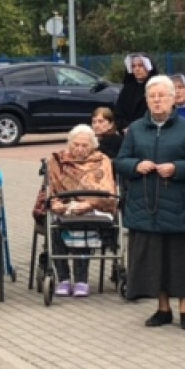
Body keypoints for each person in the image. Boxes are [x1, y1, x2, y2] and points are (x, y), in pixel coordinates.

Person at [115, 75, 185, 330]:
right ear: (146, 100)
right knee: (155, 260)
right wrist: (136, 165)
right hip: (145, 203)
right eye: (152, 97)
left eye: (162, 96)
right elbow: (120, 161)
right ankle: (163, 308)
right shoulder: (136, 128)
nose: (157, 101)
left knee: (180, 260)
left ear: (173, 99)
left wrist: (176, 168)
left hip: (177, 204)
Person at [45, 124, 118, 297]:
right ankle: (62, 278)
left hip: (95, 208)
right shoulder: (57, 160)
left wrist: (89, 204)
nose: (79, 149)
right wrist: (57, 204)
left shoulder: (102, 160)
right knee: (56, 224)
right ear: (70, 144)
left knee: (83, 224)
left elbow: (108, 191)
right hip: (65, 205)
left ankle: (81, 280)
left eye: (84, 145)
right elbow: (52, 189)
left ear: (93, 146)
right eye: (76, 144)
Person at [114, 53, 159, 130]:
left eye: (140, 65)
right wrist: (125, 127)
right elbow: (118, 113)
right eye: (133, 66)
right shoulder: (127, 89)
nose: (137, 69)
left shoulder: (156, 87)